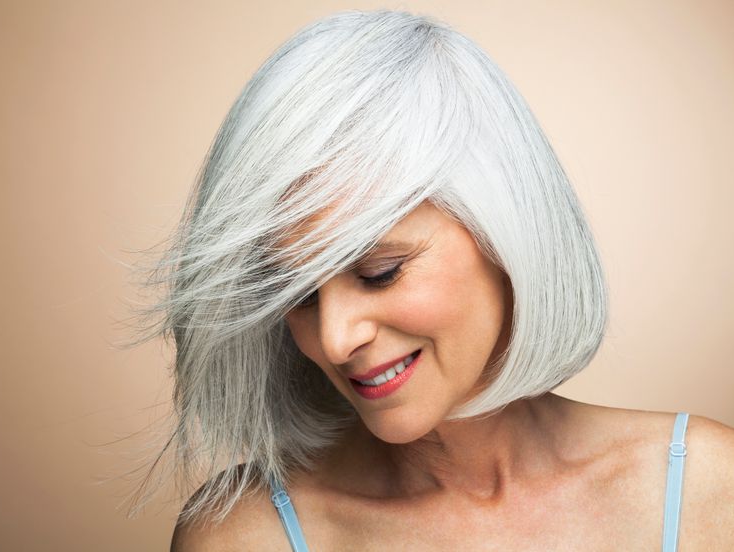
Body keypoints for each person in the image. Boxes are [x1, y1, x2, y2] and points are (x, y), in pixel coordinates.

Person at [127, 9, 734, 550]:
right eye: (298, 294)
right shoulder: (247, 535)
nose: (335, 341)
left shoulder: (707, 489)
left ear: (504, 232)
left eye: (379, 273)